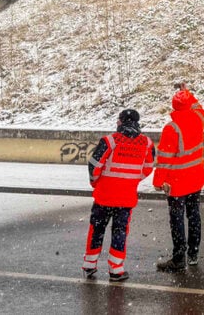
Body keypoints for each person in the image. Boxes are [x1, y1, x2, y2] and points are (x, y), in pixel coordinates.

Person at [82, 108, 155, 282]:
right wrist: (132, 180)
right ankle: (116, 270)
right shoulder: (147, 143)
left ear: (121, 122)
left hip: (104, 195)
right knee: (120, 232)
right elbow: (147, 168)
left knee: (97, 229)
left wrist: (95, 182)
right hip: (126, 197)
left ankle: (90, 265)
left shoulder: (109, 141)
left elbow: (94, 165)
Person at [154, 81, 204, 272]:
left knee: (177, 219)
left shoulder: (172, 128)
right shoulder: (199, 118)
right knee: (194, 216)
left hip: (177, 183)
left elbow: (165, 158)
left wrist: (158, 181)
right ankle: (193, 254)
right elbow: (197, 105)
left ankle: (178, 258)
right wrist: (186, 92)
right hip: (196, 179)